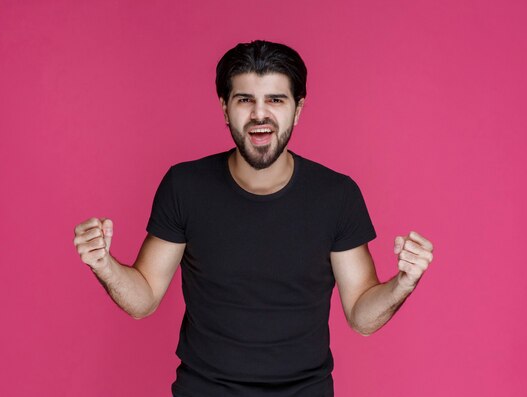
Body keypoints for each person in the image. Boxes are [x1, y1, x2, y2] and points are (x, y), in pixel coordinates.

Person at [73, 40, 434, 397]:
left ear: (298, 109)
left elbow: (361, 316)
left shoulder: (336, 195)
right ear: (225, 108)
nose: (259, 115)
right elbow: (144, 299)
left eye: (275, 100)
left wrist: (403, 283)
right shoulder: (184, 186)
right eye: (245, 100)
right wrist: (104, 265)